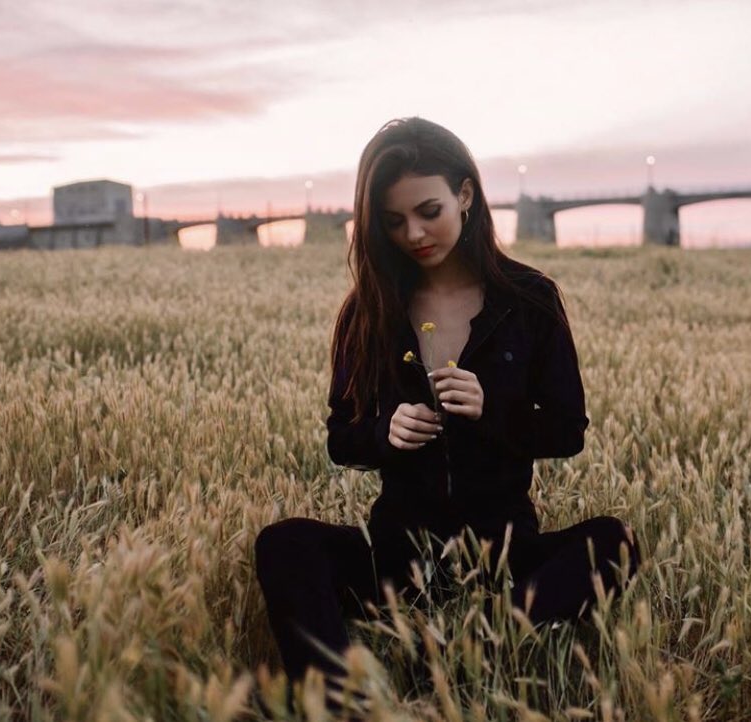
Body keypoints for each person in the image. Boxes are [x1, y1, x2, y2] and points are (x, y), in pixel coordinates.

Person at [254, 117, 637, 691]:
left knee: (615, 541)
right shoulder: (370, 309)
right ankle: (340, 699)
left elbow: (566, 431)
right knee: (283, 544)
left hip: (504, 559)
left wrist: (494, 411)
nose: (413, 233)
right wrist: (386, 431)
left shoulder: (529, 300)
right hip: (397, 559)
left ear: (465, 194)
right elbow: (342, 438)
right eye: (393, 221)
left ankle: (481, 653)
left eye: (428, 211)